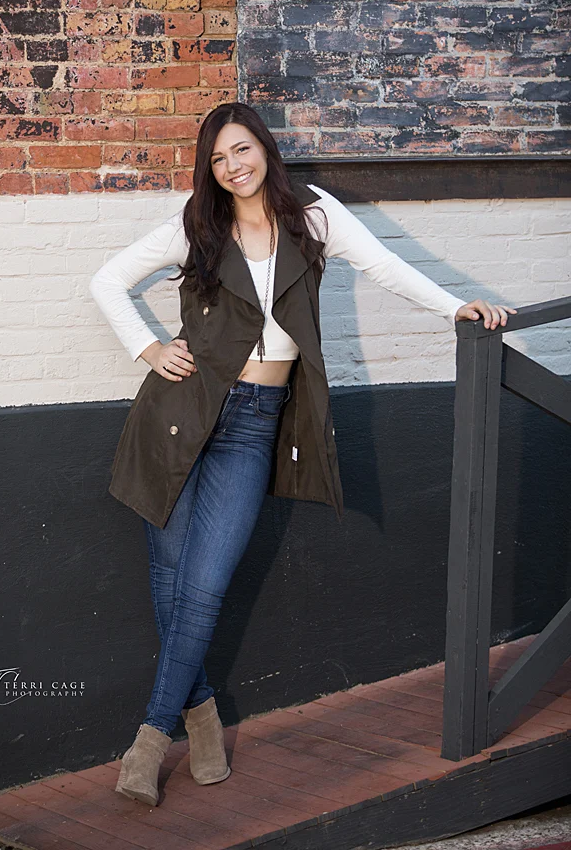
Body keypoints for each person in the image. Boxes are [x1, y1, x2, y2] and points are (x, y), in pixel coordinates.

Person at [89, 102, 516, 806]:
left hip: (254, 424)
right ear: (209, 169)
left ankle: (150, 737)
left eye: (241, 149)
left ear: (263, 147)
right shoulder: (196, 225)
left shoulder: (312, 216)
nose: (233, 166)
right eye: (218, 159)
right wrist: (150, 349)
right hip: (177, 417)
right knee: (170, 583)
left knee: (204, 585)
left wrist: (454, 307)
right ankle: (197, 719)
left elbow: (384, 266)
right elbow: (106, 281)